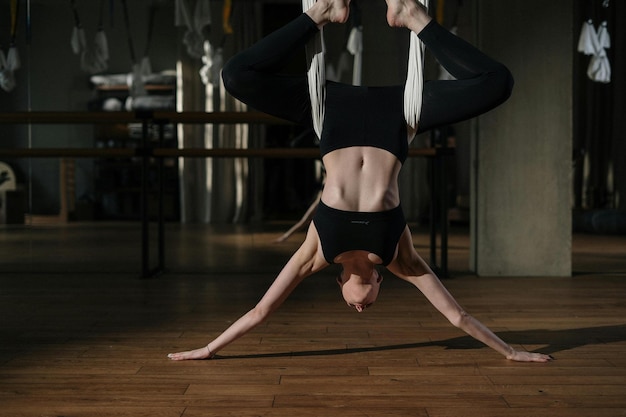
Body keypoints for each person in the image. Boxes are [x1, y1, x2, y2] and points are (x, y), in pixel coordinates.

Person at [168, 0, 553, 363]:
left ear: (338, 284)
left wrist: (208, 347)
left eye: (351, 306)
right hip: (400, 115)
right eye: (365, 306)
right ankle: (413, 16)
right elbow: (458, 317)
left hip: (331, 114)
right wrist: (510, 352)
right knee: (497, 82)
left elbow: (261, 310)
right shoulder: (401, 260)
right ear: (381, 283)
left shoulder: (317, 253)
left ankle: (320, 12)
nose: (359, 308)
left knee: (235, 76)